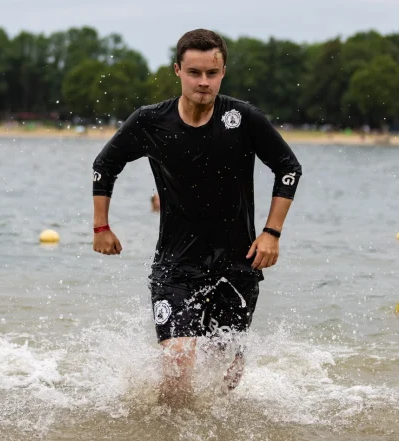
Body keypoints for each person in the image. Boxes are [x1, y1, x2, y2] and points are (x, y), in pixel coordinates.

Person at [91, 29, 302, 405]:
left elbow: (288, 168)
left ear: (223, 73)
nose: (203, 82)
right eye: (194, 72)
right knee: (178, 359)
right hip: (176, 262)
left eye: (211, 73)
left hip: (238, 262)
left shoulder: (244, 118)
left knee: (226, 376)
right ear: (178, 71)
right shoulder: (150, 122)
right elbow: (105, 165)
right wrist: (101, 226)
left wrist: (272, 232)